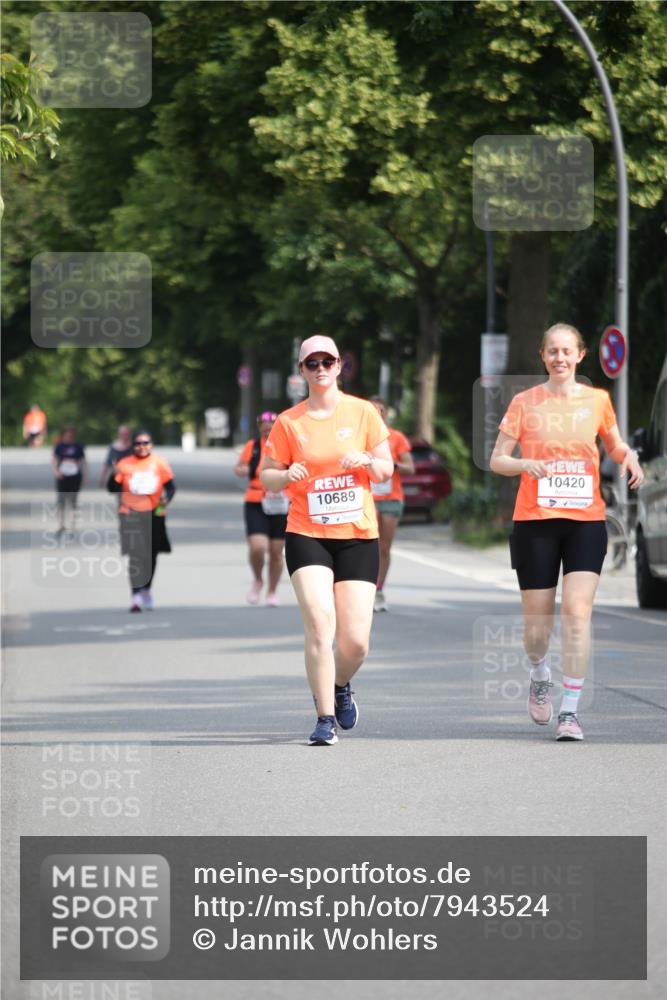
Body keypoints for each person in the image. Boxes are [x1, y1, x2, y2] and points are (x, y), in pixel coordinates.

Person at [490, 323, 644, 742]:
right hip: (535, 521)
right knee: (537, 628)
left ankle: (570, 712)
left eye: (567, 351)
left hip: (585, 521)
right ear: (543, 356)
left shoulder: (597, 401)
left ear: (580, 355)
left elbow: (612, 444)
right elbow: (497, 459)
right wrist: (525, 465)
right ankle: (539, 672)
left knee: (577, 613)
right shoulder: (525, 403)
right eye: (552, 351)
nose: (560, 358)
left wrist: (628, 456)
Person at [261, 335, 393, 746]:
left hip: (356, 535)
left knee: (355, 642)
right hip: (307, 532)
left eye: (327, 361)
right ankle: (324, 717)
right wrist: (284, 477)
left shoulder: (363, 412)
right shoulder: (289, 422)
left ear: (339, 366)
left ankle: (338, 684)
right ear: (301, 371)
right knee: (320, 624)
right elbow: (266, 473)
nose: (320, 368)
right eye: (311, 363)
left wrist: (368, 462)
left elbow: (386, 468)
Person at [107, 430, 176, 613]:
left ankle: (146, 588)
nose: (142, 446)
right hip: (131, 513)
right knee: (136, 555)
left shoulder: (159, 463)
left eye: (145, 443)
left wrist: (166, 498)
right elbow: (113, 488)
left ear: (151, 444)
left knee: (151, 554)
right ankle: (136, 594)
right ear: (133, 446)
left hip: (155, 512)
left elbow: (170, 486)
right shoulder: (124, 464)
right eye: (138, 443)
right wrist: (113, 475)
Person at [234, 411, 288, 606]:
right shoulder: (253, 446)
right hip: (256, 499)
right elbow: (239, 468)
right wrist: (246, 469)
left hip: (281, 501)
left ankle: (272, 590)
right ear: (258, 426)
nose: (267, 426)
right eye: (263, 423)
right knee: (258, 547)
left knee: (276, 551)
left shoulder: (287, 444)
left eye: (272, 422)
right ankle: (258, 579)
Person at [369, 397, 414, 612]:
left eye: (380, 410)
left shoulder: (396, 438)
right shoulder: (360, 436)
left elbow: (410, 468)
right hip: (367, 497)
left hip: (391, 497)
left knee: (384, 547)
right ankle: (365, 588)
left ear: (386, 414)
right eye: (372, 410)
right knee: (368, 545)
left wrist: (391, 464)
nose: (377, 414)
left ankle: (378, 589)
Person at [51, 425, 87, 535]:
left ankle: (72, 525)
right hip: (62, 476)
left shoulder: (78, 446)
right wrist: (56, 472)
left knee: (73, 501)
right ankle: (61, 525)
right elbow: (54, 460)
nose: (69, 437)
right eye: (67, 434)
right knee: (61, 501)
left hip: (75, 477)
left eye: (71, 434)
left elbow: (83, 462)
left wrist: (85, 477)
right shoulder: (59, 446)